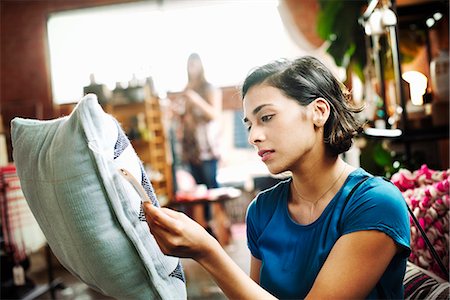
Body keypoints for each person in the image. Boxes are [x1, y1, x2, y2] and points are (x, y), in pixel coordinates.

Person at [144, 56, 411, 299]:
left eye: (267, 117)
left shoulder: (375, 203)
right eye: (249, 124)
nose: (253, 137)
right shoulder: (262, 210)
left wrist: (208, 252)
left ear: (319, 112)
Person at [173, 53, 230, 243]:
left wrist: (195, 99)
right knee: (197, 194)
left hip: (207, 149)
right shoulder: (185, 90)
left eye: (194, 64)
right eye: (189, 64)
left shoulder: (209, 89)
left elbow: (215, 114)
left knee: (212, 191)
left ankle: (221, 229)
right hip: (190, 150)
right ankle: (205, 232)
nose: (192, 68)